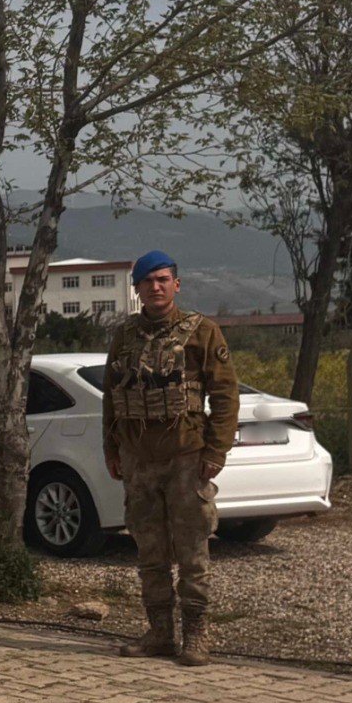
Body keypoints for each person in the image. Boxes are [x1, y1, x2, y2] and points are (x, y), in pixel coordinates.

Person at [103, 250, 239, 666]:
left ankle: (196, 634)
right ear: (137, 289)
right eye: (147, 281)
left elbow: (225, 395)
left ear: (176, 285)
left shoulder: (203, 332)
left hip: (186, 457)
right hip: (139, 461)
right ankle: (160, 633)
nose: (155, 287)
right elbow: (111, 397)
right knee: (150, 550)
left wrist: (216, 450)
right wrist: (111, 449)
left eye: (163, 279)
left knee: (192, 550)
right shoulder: (124, 336)